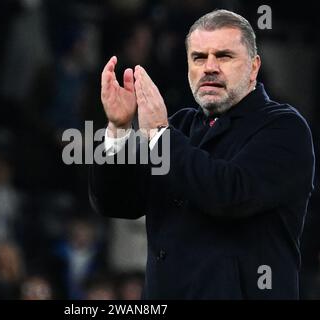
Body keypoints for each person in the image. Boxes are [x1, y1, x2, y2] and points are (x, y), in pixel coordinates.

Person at [89, 9, 315, 299]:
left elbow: (229, 194)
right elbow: (119, 204)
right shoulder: (179, 125)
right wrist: (118, 130)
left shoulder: (284, 128)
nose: (209, 67)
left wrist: (159, 132)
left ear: (254, 66)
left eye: (223, 56)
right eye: (198, 57)